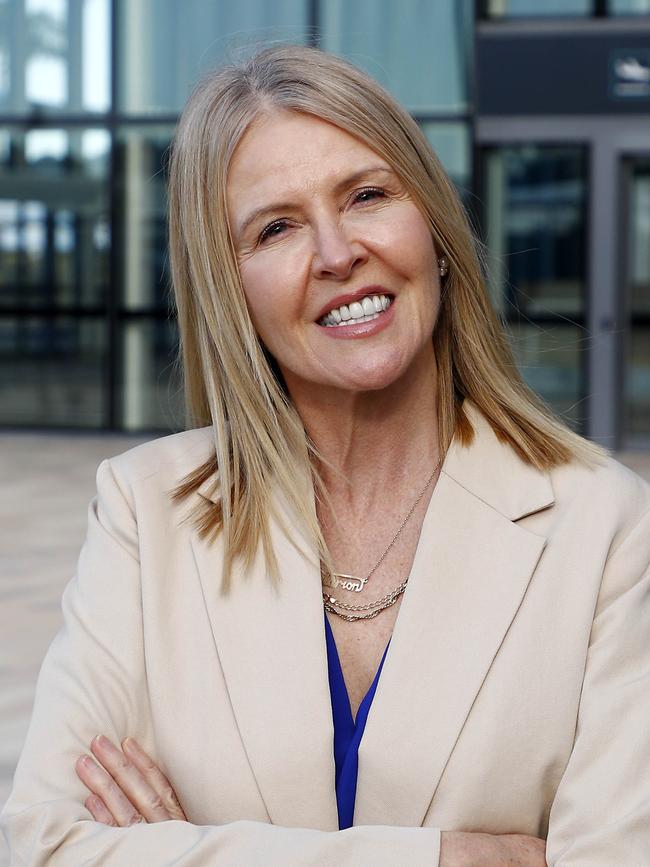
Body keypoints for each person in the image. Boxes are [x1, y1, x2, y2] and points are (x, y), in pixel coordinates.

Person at [2, 44, 649, 867]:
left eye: (368, 195)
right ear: (229, 288)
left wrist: (186, 848)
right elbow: (50, 847)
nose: (338, 253)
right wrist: (441, 858)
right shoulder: (144, 509)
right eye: (276, 227)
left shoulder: (607, 527)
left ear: (438, 232)